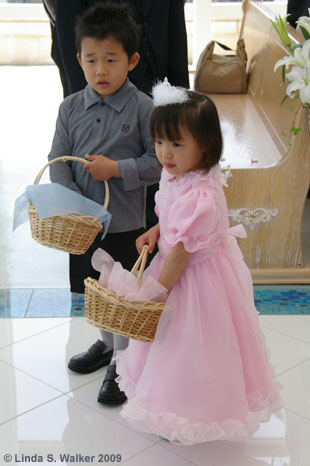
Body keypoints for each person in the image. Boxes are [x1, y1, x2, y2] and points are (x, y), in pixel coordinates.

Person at [114, 80, 283, 445]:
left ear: (206, 145)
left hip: (195, 280)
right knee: (170, 347)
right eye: (159, 142)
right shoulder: (178, 175)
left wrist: (157, 292)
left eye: (176, 143)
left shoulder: (203, 195)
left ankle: (192, 412)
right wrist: (158, 231)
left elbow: (181, 253)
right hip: (178, 264)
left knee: (194, 344)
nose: (165, 153)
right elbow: (174, 219)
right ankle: (167, 402)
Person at [47, 3, 160, 404]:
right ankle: (106, 345)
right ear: (77, 60)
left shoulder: (144, 108)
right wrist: (76, 207)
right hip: (84, 226)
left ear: (131, 61)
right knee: (95, 291)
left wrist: (117, 168)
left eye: (110, 60)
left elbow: (158, 163)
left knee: (123, 297)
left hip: (127, 224)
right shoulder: (70, 108)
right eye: (91, 60)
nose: (100, 71)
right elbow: (57, 162)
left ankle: (123, 364)